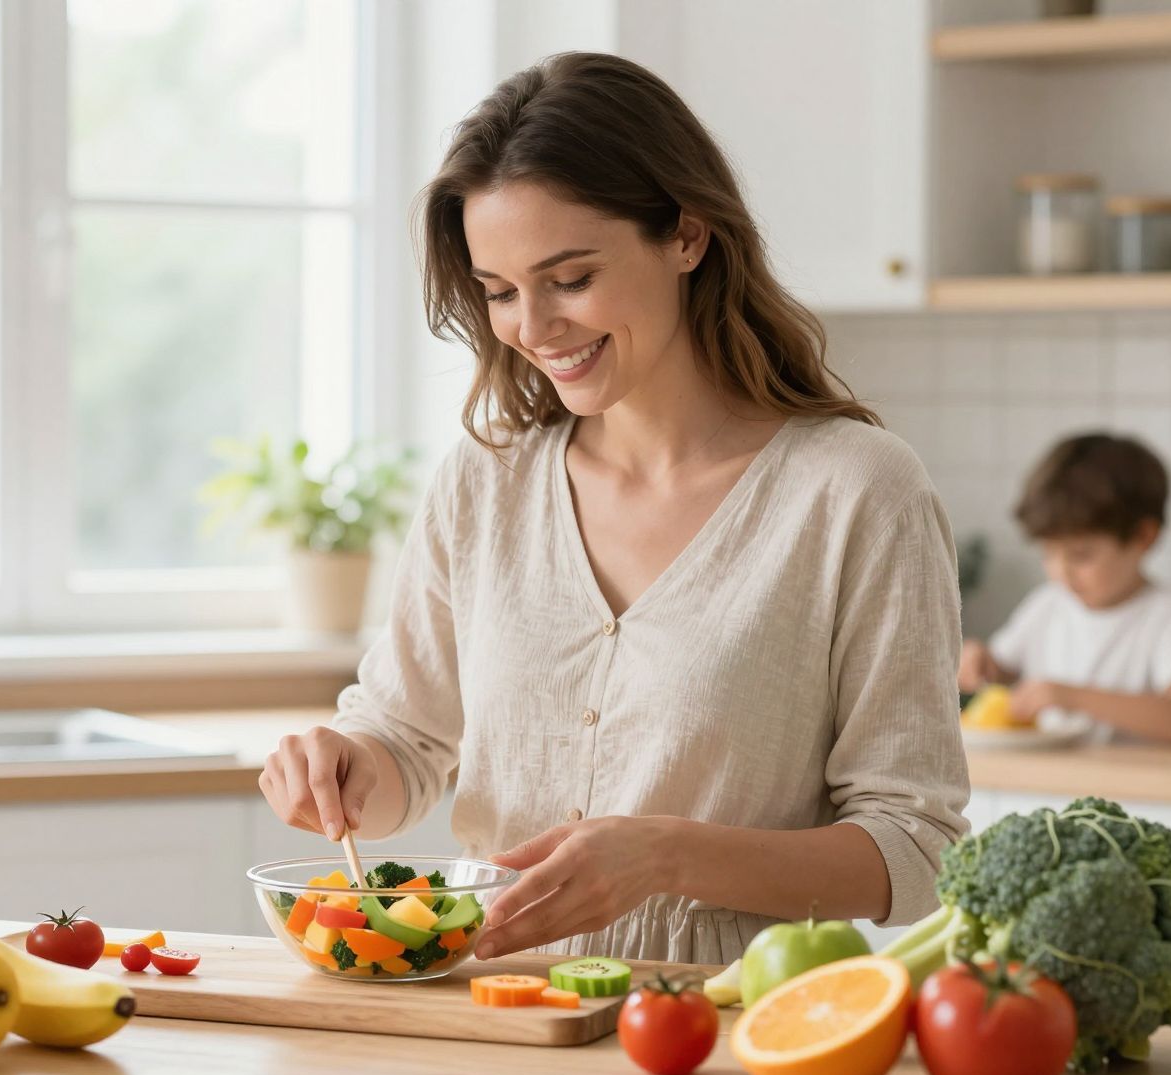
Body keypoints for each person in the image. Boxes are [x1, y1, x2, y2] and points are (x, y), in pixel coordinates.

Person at [257, 53, 969, 966]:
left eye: (571, 278)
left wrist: (668, 855)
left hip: (730, 1029)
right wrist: (348, 767)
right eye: (501, 292)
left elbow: (916, 849)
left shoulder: (857, 491)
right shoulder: (485, 482)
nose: (533, 328)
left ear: (687, 236)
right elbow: (408, 738)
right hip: (500, 1004)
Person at [960, 433, 1171, 745]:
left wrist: (1070, 696)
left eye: (1081, 555)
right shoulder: (1048, 604)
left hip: (1135, 788)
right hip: (1052, 782)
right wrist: (980, 662)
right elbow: (1000, 669)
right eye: (1048, 553)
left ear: (1144, 537)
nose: (1061, 573)